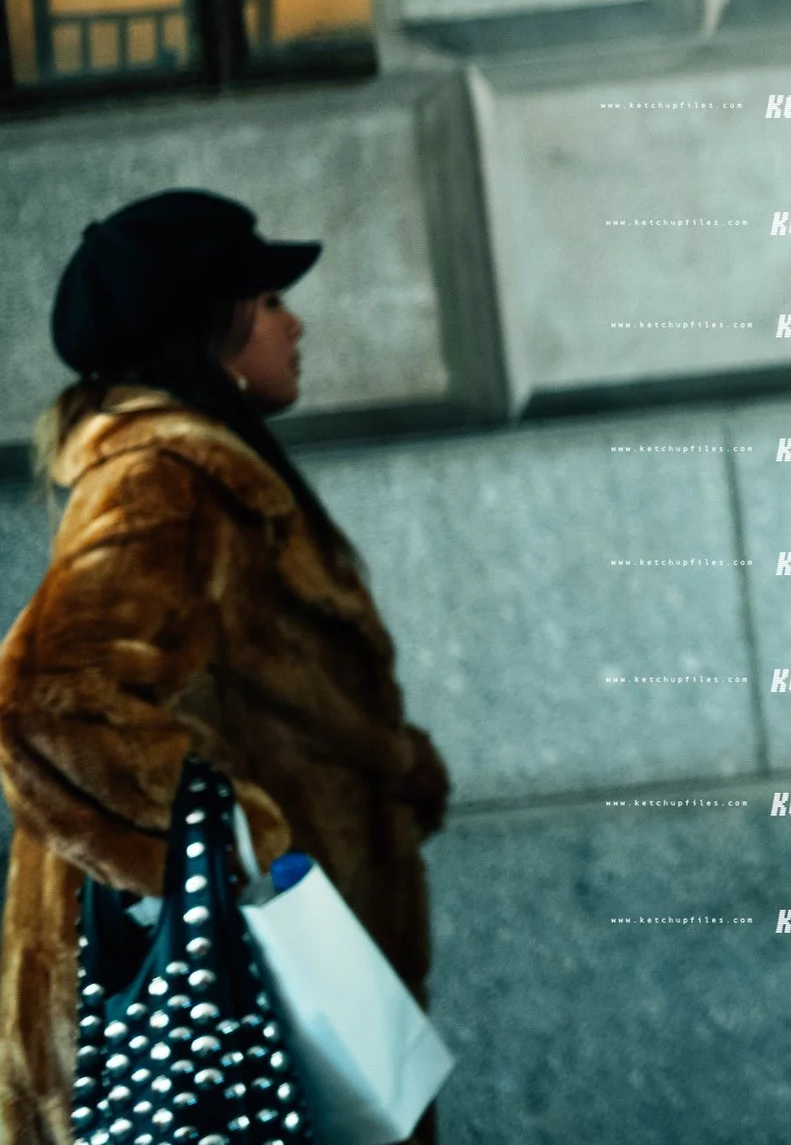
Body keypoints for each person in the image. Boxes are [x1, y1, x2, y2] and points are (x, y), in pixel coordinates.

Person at [0, 191, 449, 1145]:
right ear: (210, 321)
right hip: (218, 1018)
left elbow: (265, 689)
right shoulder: (162, 478)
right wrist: (241, 835)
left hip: (268, 1013)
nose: (295, 320)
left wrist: (387, 761)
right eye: (270, 296)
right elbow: (47, 706)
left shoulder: (206, 476)